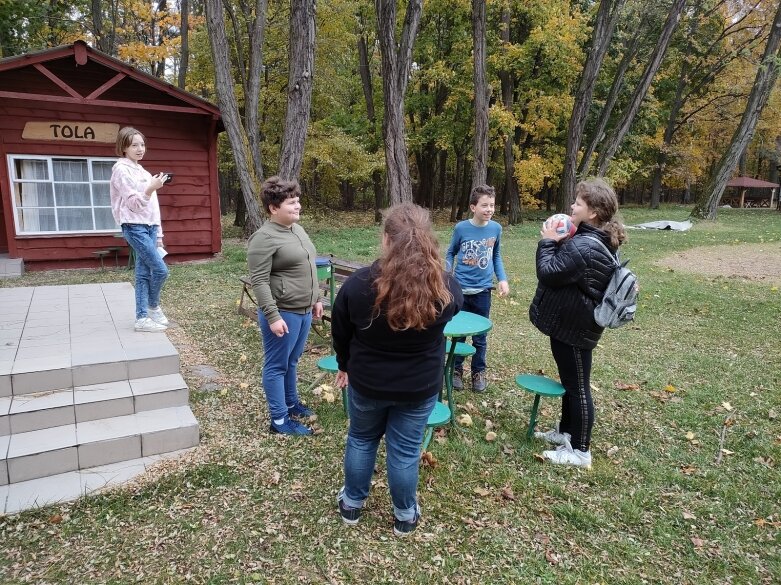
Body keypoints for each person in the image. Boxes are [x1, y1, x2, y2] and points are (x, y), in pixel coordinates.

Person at [332, 203, 463, 537]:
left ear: (386, 239)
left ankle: (352, 504)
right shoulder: (446, 287)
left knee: (361, 440)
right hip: (418, 387)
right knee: (404, 451)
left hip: (368, 383)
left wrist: (345, 365)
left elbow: (340, 333)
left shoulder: (359, 285)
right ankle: (404, 515)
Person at [529, 178, 627, 468]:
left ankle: (581, 451)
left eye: (579, 203)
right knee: (572, 382)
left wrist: (547, 241)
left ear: (593, 212)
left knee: (578, 388)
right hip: (574, 324)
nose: (573, 206)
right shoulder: (590, 239)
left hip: (574, 328)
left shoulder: (585, 245)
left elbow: (548, 272)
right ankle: (566, 433)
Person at [247, 176, 323, 436]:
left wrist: (315, 300)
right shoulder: (263, 238)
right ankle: (279, 421)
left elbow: (308, 267)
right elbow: (258, 280)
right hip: (283, 312)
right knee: (276, 365)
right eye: (291, 203)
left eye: (298, 200)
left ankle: (291, 404)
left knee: (292, 360)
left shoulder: (297, 230)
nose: (298, 206)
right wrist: (272, 315)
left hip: (303, 310)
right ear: (273, 208)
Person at [445, 184, 509, 392]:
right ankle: (456, 370)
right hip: (460, 291)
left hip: (483, 291)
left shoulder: (496, 229)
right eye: (485, 205)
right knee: (459, 334)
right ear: (473, 207)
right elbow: (450, 253)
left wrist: (502, 278)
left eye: (492, 205)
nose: (489, 209)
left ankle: (478, 373)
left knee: (480, 337)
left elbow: (496, 255)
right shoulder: (461, 228)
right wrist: (447, 274)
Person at [110, 127, 170, 332]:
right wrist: (151, 187)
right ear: (124, 147)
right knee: (161, 270)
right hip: (134, 226)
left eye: (142, 144)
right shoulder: (121, 170)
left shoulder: (143, 172)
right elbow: (135, 204)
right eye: (134, 145)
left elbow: (154, 207)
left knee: (143, 273)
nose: (139, 149)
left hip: (150, 227)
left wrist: (159, 234)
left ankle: (142, 318)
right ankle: (152, 307)